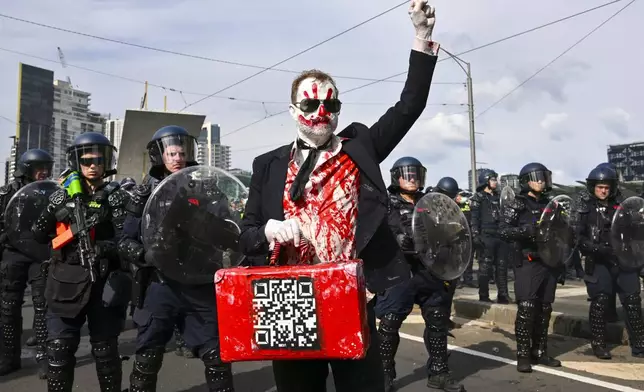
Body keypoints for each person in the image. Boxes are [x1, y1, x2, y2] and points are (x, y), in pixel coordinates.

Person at [238, 2, 440, 390]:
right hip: (288, 300)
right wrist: (269, 230)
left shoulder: (358, 147)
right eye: (312, 103)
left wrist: (420, 38)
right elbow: (245, 235)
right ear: (294, 109)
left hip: (350, 296)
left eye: (330, 104)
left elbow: (409, 106)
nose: (322, 111)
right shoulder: (268, 165)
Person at [118, 125, 234, 391]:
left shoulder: (206, 189)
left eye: (181, 152)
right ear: (159, 155)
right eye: (171, 152)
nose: (177, 158)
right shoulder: (144, 195)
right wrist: (144, 255)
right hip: (161, 284)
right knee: (148, 356)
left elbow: (229, 231)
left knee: (217, 356)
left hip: (199, 281)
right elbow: (124, 241)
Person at [31, 132, 129, 391]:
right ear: (77, 162)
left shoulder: (115, 196)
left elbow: (127, 239)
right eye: (86, 161)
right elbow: (38, 234)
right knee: (60, 352)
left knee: (106, 351)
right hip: (65, 278)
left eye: (98, 159)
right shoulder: (62, 193)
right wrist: (54, 208)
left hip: (104, 281)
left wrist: (104, 248)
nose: (93, 165)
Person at [375, 162, 465, 392]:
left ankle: (439, 372)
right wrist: (395, 239)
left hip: (429, 270)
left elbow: (445, 228)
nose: (412, 179)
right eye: (407, 175)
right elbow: (374, 231)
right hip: (399, 271)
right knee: (390, 324)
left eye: (416, 175)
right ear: (397, 178)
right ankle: (384, 375)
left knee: (437, 320)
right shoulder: (385, 202)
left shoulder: (432, 202)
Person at [573, 166, 644, 359]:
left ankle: (639, 345)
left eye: (606, 187)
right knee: (600, 302)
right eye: (599, 187)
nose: (603, 190)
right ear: (593, 187)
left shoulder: (623, 204)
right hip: (598, 261)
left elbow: (636, 232)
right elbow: (577, 238)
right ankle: (599, 344)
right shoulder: (584, 206)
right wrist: (596, 248)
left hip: (623, 260)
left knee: (632, 300)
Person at [499, 162, 562, 373]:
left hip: (549, 261)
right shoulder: (517, 203)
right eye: (536, 178)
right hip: (528, 261)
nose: (540, 181)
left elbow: (563, 230)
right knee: (527, 309)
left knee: (545, 309)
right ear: (526, 181)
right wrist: (528, 231)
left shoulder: (551, 204)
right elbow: (504, 231)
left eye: (543, 177)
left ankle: (540, 351)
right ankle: (523, 355)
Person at [0, 149, 54, 378]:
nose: (43, 171)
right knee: (7, 307)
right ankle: (8, 357)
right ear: (26, 168)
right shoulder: (7, 193)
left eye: (46, 167)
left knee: (42, 306)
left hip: (40, 253)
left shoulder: (50, 192)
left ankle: (44, 357)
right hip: (13, 253)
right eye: (38, 167)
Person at [469, 169, 510, 304]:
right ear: (486, 181)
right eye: (493, 179)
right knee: (485, 268)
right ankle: (484, 295)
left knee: (502, 267)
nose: (495, 182)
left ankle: (503, 295)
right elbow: (474, 218)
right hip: (485, 236)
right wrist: (475, 234)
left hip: (500, 235)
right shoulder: (478, 197)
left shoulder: (499, 197)